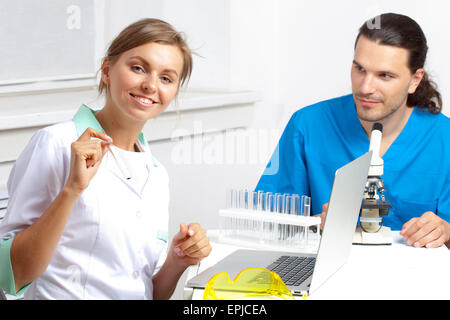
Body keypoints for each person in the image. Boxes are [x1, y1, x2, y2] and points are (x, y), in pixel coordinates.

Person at [0, 18, 211, 299]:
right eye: (138, 68)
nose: (150, 85)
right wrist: (72, 190)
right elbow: (11, 275)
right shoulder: (57, 144)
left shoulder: (156, 174)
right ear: (107, 70)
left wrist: (178, 261)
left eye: (166, 78)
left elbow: (148, 292)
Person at [256, 13, 450, 249]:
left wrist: (445, 232)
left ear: (414, 80)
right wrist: (311, 226)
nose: (365, 87)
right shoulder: (308, 125)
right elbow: (263, 224)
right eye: (359, 69)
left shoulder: (443, 139)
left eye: (385, 75)